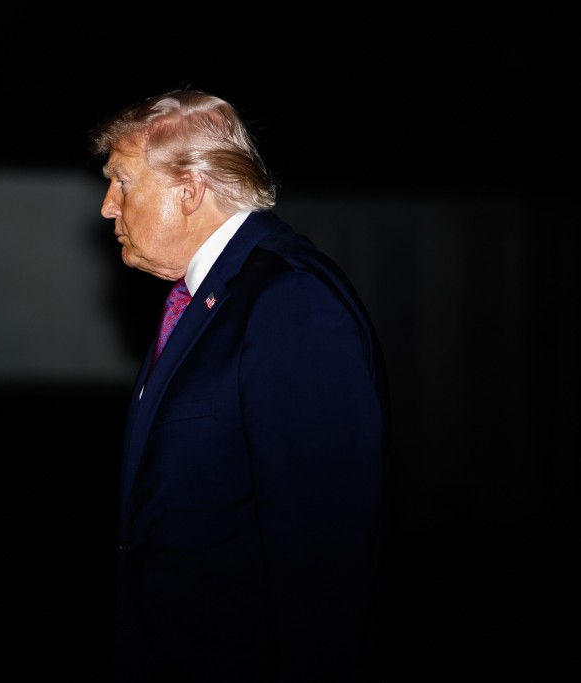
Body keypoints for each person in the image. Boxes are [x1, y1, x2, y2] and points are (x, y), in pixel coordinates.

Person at [90, 90, 393, 681]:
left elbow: (323, 546)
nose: (107, 207)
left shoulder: (288, 300)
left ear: (190, 189)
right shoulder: (207, 295)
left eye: (122, 182)